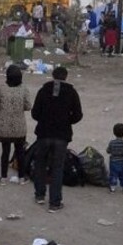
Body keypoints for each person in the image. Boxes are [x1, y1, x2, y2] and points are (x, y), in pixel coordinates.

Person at [30, 64, 82, 212]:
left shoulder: (43, 90)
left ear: (53, 76)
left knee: (40, 163)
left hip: (43, 134)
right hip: (62, 135)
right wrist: (66, 121)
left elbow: (35, 113)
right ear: (66, 77)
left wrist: (44, 119)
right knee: (57, 167)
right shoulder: (71, 92)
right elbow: (78, 115)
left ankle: (39, 195)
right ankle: (55, 202)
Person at [0, 64, 30, 183]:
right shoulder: (24, 89)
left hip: (4, 125)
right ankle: (21, 177)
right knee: (20, 152)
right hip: (19, 126)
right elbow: (28, 106)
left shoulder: (1, 88)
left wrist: (4, 110)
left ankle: (3, 177)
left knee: (5, 151)